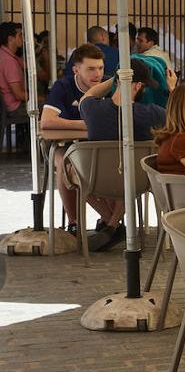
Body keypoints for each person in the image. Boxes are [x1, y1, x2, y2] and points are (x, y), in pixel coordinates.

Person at [78, 58, 168, 250]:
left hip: (96, 181)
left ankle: (110, 223)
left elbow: (89, 94)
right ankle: (112, 224)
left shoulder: (91, 109)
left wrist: (115, 79)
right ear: (138, 86)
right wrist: (173, 88)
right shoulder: (153, 113)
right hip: (138, 182)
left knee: (71, 171)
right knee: (128, 169)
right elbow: (178, 117)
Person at [42, 44, 108, 240]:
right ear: (76, 70)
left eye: (101, 68)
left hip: (97, 146)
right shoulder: (63, 86)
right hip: (64, 146)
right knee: (65, 163)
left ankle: (109, 222)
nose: (98, 74)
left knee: (114, 162)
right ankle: (74, 222)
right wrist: (87, 124)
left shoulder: (109, 87)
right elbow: (47, 121)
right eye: (91, 69)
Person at [0, 21, 27, 123]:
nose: (23, 38)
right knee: (50, 106)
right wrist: (39, 97)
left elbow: (26, 66)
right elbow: (19, 95)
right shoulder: (9, 61)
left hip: (7, 106)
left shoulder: (5, 54)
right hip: (14, 108)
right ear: (10, 39)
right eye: (20, 35)